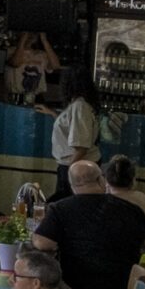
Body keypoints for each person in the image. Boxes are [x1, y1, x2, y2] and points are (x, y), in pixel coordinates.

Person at [32, 157, 145, 289]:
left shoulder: (60, 209)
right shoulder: (130, 208)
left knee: (38, 285)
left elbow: (42, 243)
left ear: (72, 185)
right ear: (101, 180)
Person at [49, 70, 101, 203]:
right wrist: (53, 114)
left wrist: (70, 173)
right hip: (75, 164)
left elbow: (81, 147)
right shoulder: (79, 106)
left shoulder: (79, 107)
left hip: (76, 166)